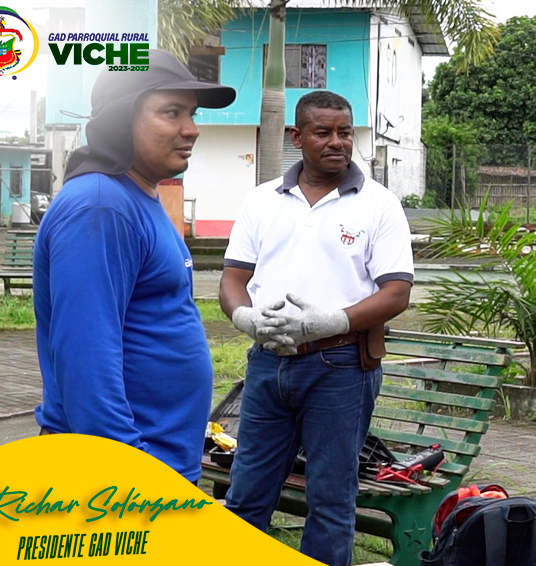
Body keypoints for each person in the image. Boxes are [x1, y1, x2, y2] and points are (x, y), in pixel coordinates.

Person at [219, 90, 414, 565]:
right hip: (269, 364)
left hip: (340, 366)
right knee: (247, 493)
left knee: (329, 500)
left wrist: (332, 321)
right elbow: (233, 279)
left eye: (345, 132)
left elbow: (396, 292)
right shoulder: (263, 200)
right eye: (323, 132)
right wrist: (245, 317)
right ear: (296, 136)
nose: (337, 142)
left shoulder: (379, 204)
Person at [33, 50, 236, 483]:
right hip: (123, 475)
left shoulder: (136, 196)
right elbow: (86, 363)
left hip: (158, 461)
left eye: (192, 113)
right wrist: (132, 475)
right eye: (172, 112)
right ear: (120, 118)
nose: (192, 129)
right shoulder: (101, 205)